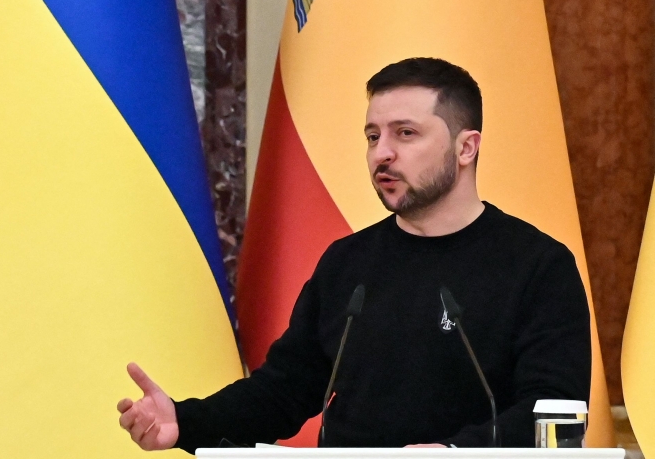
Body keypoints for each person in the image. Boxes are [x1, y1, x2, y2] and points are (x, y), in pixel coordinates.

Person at [116, 57, 591, 451]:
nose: (381, 153)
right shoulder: (348, 264)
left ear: (466, 148)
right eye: (372, 136)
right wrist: (185, 422)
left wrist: (454, 453)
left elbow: (555, 416)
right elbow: (283, 390)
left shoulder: (538, 266)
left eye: (405, 133)